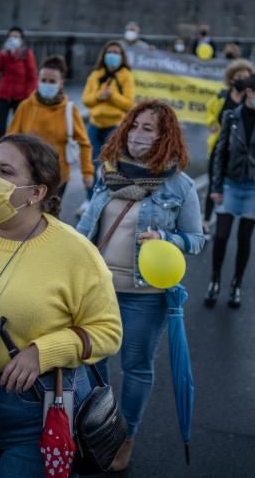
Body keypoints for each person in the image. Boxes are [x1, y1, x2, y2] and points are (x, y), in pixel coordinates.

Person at [0, 133, 122, 477]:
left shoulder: (74, 252)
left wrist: (43, 351)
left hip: (34, 408)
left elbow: (108, 332)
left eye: (6, 171)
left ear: (37, 192)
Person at [76, 100, 204, 472]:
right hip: (97, 289)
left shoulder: (180, 186)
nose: (137, 134)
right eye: (134, 126)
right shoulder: (110, 173)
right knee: (92, 364)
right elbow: (88, 228)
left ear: (166, 136)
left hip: (144, 297)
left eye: (148, 128)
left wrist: (166, 237)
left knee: (135, 367)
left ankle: (124, 437)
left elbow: (196, 239)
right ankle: (92, 431)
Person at [207, 73, 255, 308]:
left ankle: (236, 284)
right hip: (229, 183)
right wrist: (216, 187)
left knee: (244, 238)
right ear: (249, 92)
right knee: (221, 235)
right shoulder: (230, 117)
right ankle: (215, 280)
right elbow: (220, 154)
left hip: (254, 187)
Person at [7, 55, 93, 198]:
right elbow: (10, 140)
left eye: (52, 81)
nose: (47, 84)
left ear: (61, 83)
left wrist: (87, 172)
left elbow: (84, 144)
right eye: (43, 80)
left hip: (57, 178)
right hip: (28, 176)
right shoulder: (25, 106)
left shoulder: (70, 111)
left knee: (49, 218)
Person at [204, 59, 255, 233]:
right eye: (238, 76)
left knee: (231, 186)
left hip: (240, 153)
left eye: (246, 77)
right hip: (219, 148)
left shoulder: (251, 101)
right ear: (231, 79)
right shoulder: (221, 96)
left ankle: (224, 221)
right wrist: (211, 122)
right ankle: (206, 220)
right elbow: (210, 111)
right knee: (214, 183)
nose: (242, 79)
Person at [81, 41, 135, 174]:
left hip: (114, 126)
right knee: (91, 165)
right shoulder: (96, 75)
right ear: (104, 55)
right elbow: (86, 100)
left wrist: (112, 95)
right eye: (109, 52)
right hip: (94, 125)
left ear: (122, 57)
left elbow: (128, 103)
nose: (112, 55)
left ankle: (109, 193)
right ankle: (92, 194)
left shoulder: (126, 76)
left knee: (112, 167)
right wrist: (99, 96)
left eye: (116, 53)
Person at [0, 27, 38, 145]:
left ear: (22, 40)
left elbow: (32, 76)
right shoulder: (5, 53)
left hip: (20, 97)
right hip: (3, 95)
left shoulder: (26, 54)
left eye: (16, 36)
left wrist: (29, 96)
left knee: (19, 128)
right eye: (11, 36)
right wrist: (3, 54)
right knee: (0, 128)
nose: (13, 39)